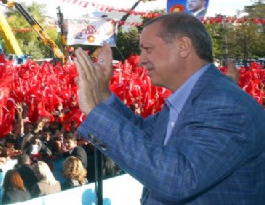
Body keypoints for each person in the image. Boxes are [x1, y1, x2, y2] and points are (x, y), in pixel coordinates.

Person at [73, 12, 265, 203]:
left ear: (183, 47)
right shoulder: (195, 98)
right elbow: (144, 134)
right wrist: (101, 93)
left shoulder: (224, 105)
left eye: (148, 49)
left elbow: (180, 179)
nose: (141, 60)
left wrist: (93, 111)